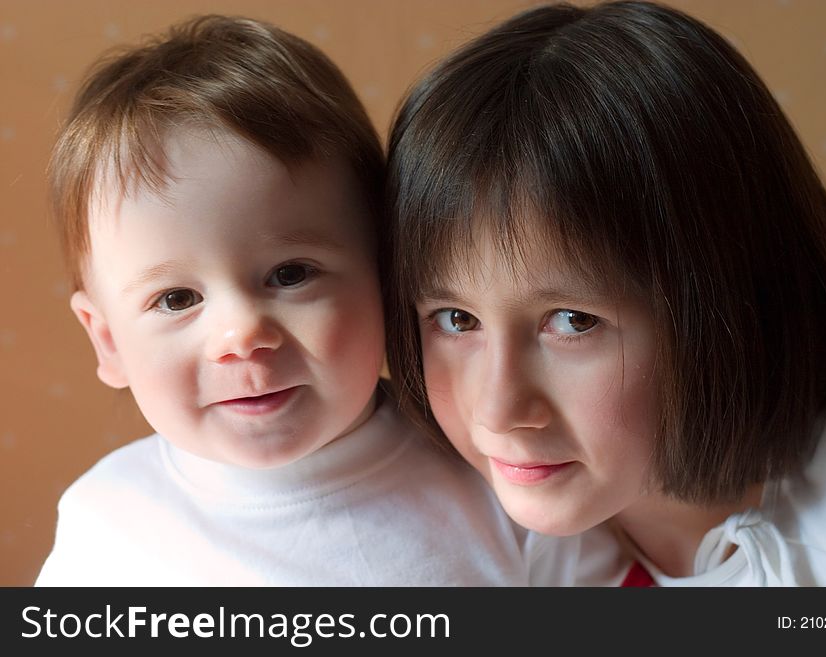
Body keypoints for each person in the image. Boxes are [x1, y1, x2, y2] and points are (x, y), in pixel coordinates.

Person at [36, 14, 624, 586]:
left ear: (385, 275)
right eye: (176, 298)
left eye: (290, 274)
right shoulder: (108, 525)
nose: (242, 333)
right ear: (107, 339)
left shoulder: (500, 474)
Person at [384, 0, 826, 585]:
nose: (499, 411)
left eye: (573, 321)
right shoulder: (487, 533)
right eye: (457, 319)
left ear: (730, 299)